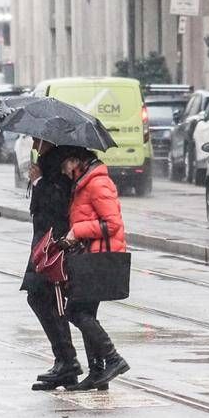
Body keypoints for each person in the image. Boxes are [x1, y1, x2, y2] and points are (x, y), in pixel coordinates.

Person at [60, 147, 129, 390]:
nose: (64, 171)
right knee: (85, 312)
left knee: (76, 312)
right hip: (90, 255)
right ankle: (98, 372)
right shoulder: (83, 182)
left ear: (76, 161)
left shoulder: (97, 182)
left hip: (100, 257)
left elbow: (112, 224)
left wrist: (77, 232)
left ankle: (113, 359)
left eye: (65, 164)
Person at [21, 140, 82, 391]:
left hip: (53, 244)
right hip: (42, 243)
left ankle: (67, 361)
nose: (34, 142)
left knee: (49, 300)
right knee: (38, 298)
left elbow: (58, 204)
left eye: (37, 138)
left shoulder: (58, 163)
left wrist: (38, 181)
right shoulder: (47, 161)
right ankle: (64, 361)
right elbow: (38, 207)